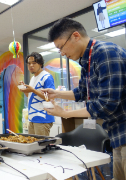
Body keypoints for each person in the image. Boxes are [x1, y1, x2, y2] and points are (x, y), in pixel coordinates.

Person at [43, 17, 126, 180]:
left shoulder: (104, 52)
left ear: (75, 36)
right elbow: (81, 92)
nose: (62, 53)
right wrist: (57, 93)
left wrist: (65, 114)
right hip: (117, 133)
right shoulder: (86, 62)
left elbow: (107, 104)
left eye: (61, 47)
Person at [18, 52, 55, 136]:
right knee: (32, 146)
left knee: (41, 146)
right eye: (29, 63)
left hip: (43, 118)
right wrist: (25, 90)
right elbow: (31, 96)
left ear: (40, 64)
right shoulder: (33, 78)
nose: (31, 65)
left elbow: (50, 98)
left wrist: (33, 90)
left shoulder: (47, 77)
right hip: (32, 118)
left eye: (34, 63)